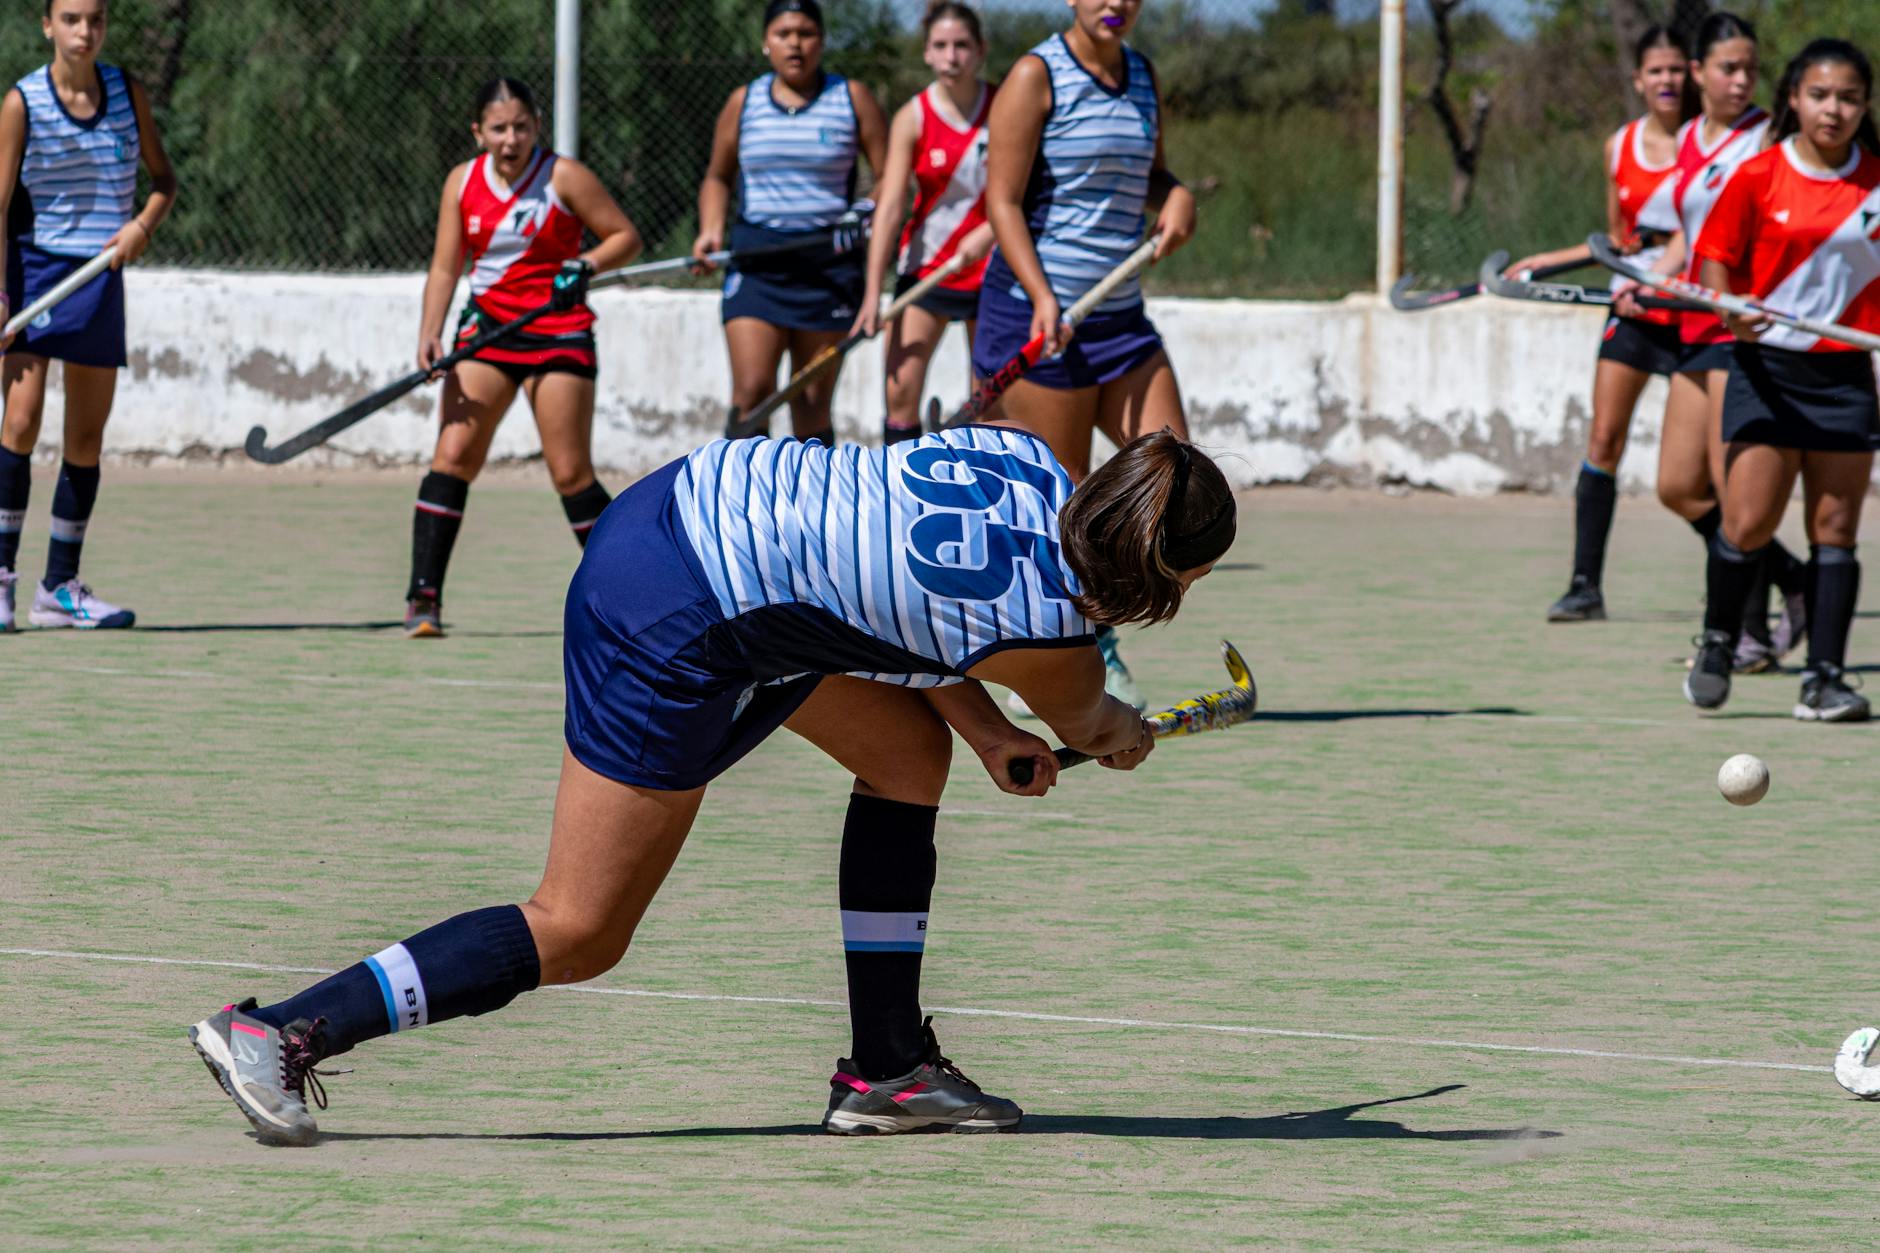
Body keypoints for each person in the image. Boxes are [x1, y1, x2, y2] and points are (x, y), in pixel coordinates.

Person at [186, 425, 1239, 1143]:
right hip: (674, 614)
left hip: (683, 505)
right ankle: (284, 1029)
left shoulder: (1023, 454)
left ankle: (886, 1068)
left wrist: (983, 729)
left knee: (905, 758)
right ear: (1162, 575)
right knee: (581, 925)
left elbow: (901, 595)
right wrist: (1120, 732)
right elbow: (1088, 717)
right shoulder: (1054, 637)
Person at [976, 0, 1198, 712]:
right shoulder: (1035, 76)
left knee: (1176, 479)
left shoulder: (1142, 75)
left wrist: (1176, 194)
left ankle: (1089, 631)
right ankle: (1071, 652)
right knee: (1062, 501)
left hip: (1119, 320)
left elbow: (1151, 175)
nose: (1116, 4)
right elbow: (1003, 202)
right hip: (1039, 317)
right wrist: (1043, 296)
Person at [1682, 39, 1880, 721]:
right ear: (1794, 98)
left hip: (1845, 374)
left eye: (1850, 98)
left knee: (1836, 527)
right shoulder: (1758, 176)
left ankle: (1824, 678)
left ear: (1865, 106)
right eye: (1820, 95)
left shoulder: (1876, 183)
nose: (1834, 110)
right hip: (1767, 367)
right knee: (1747, 521)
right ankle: (1718, 639)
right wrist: (1728, 308)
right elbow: (1715, 260)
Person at [403, 78, 643, 639]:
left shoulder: (564, 177)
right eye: (498, 129)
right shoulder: (462, 182)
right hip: (490, 331)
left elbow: (624, 237)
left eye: (521, 127)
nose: (510, 139)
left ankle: (637, 595)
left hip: (558, 332)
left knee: (570, 472)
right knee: (453, 455)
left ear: (537, 126)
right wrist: (431, 333)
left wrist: (586, 264)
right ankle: (423, 599)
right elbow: (446, 266)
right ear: (478, 132)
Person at [1620, 12, 1805, 672]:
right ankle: (1794, 578)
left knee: (1735, 493)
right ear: (1699, 72)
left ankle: (1743, 635)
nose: (1742, 80)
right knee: (1677, 486)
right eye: (1729, 68)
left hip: (1744, 330)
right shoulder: (1691, 137)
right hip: (1695, 327)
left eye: (1751, 68)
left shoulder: (1770, 138)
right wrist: (1647, 280)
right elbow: (1688, 232)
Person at [0, 0, 175, 632]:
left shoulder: (128, 93)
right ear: (47, 24)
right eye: (71, 18)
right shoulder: (22, 103)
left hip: (100, 276)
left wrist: (141, 227)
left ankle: (58, 589)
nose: (85, 31)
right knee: (20, 422)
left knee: (85, 439)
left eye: (95, 19)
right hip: (33, 274)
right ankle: (1, 580)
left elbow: (164, 182)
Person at [1504, 27, 1689, 623]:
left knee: (1698, 471)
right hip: (1631, 311)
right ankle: (1586, 587)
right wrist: (1548, 261)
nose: (1667, 81)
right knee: (1604, 440)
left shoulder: (1710, 142)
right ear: (1638, 79)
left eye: (1676, 69)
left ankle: (1757, 582)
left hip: (1693, 315)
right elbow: (1619, 240)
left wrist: (1661, 280)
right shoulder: (1621, 146)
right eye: (1655, 71)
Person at [693, 0, 887, 445]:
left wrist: (866, 209)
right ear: (766, 42)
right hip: (758, 263)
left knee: (811, 402)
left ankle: (813, 491)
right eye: (783, 34)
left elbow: (891, 178)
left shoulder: (851, 98)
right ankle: (741, 488)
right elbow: (718, 177)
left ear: (822, 41)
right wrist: (710, 229)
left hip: (829, 266)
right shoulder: (744, 102)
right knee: (752, 394)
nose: (795, 44)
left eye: (806, 33)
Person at [853, 1, 994, 447]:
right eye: (941, 46)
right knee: (899, 394)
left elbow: (1024, 194)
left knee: (988, 402)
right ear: (927, 52)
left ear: (981, 50)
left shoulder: (1005, 108)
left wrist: (990, 231)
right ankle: (900, 483)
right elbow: (891, 205)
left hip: (991, 272)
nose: (952, 57)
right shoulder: (912, 116)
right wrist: (873, 293)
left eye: (962, 45)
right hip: (927, 269)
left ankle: (980, 483)